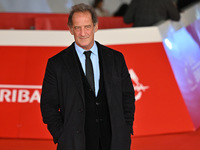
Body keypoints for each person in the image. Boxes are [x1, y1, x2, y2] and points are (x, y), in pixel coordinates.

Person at [40, 3, 135, 150]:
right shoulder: (56, 64)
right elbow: (48, 105)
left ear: (96, 27)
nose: (83, 33)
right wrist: (61, 135)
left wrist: (125, 127)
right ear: (71, 29)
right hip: (75, 143)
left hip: (114, 142)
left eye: (87, 26)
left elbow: (127, 96)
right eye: (78, 27)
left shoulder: (115, 58)